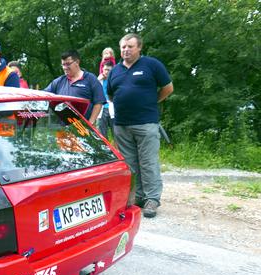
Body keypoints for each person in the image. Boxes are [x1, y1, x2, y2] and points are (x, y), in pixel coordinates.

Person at [107, 33, 173, 218]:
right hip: (122, 125)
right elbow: (112, 95)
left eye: (130, 46)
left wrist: (152, 102)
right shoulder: (114, 71)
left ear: (139, 48)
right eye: (123, 47)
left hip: (146, 123)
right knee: (130, 165)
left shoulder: (151, 65)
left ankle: (152, 199)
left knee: (148, 162)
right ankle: (138, 197)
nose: (126, 50)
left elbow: (168, 88)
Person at [44, 50, 105, 124]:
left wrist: (90, 123)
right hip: (63, 130)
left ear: (77, 62)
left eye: (68, 64)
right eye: (63, 64)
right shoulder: (58, 82)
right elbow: (43, 95)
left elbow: (98, 102)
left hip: (83, 129)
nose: (65, 67)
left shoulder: (90, 79)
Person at [97, 61, 115, 138]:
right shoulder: (98, 80)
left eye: (109, 70)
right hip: (101, 109)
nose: (106, 71)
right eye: (105, 69)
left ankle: (117, 150)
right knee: (101, 136)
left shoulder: (116, 80)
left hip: (114, 110)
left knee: (117, 135)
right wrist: (97, 80)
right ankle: (104, 150)